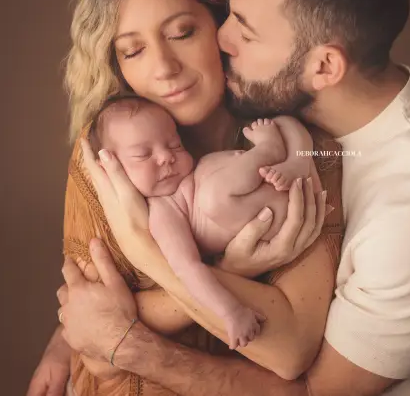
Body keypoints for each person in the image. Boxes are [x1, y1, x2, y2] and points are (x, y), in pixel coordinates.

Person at [57, 0, 410, 396]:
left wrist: (128, 327)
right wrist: (73, 330)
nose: (222, 39)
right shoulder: (298, 123)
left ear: (324, 66)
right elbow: (87, 297)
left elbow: (315, 389)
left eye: (242, 29)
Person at [26, 0, 343, 396]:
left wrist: (143, 258)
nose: (164, 67)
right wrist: (235, 271)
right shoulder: (105, 156)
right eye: (132, 50)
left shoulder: (304, 150)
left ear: (225, 29)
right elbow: (87, 329)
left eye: (181, 33)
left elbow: (290, 349)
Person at [87, 95, 319, 349]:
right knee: (212, 199)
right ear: (112, 166)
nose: (166, 157)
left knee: (284, 122)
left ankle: (297, 160)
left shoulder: (195, 171)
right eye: (143, 155)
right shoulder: (163, 211)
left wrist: (295, 161)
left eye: (175, 145)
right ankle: (268, 150)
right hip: (273, 215)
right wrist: (231, 312)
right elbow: (188, 269)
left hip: (284, 179)